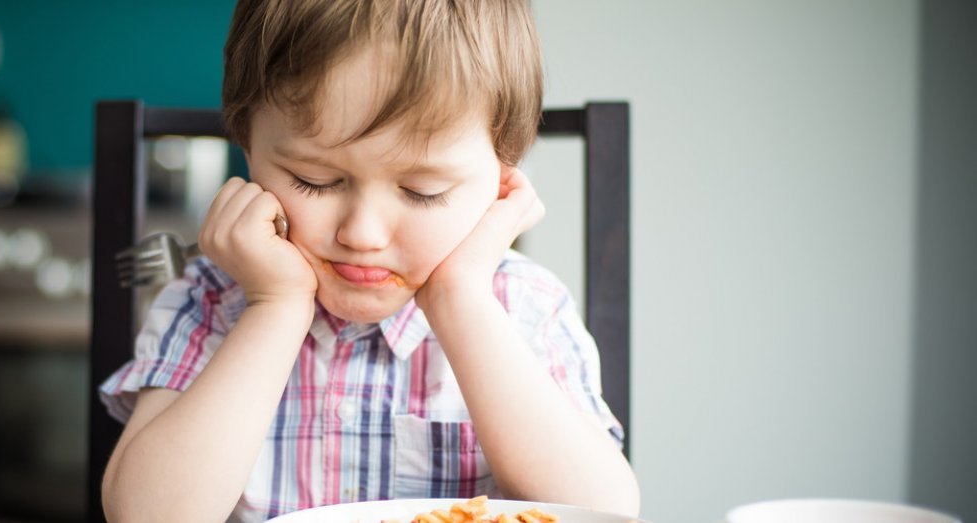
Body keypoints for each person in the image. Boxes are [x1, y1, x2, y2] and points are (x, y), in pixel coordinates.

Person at [99, 0, 640, 520]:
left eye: (423, 191)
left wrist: (459, 298)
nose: (361, 233)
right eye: (314, 180)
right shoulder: (210, 301)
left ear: (502, 180)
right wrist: (275, 305)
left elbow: (604, 512)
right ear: (248, 149)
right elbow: (146, 516)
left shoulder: (526, 309)